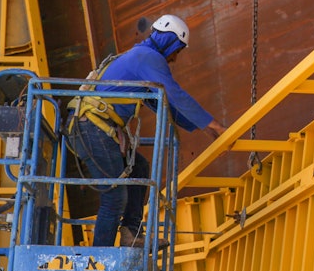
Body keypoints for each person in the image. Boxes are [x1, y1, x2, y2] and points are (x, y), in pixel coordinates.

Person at [68, 14, 227, 247]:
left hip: (92, 128)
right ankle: (101, 256)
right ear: (169, 42)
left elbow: (161, 103)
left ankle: (131, 234)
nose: (174, 59)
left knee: (139, 167)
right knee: (114, 196)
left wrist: (200, 127)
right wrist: (213, 125)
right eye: (177, 51)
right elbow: (174, 94)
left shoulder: (139, 57)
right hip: (91, 127)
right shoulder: (148, 58)